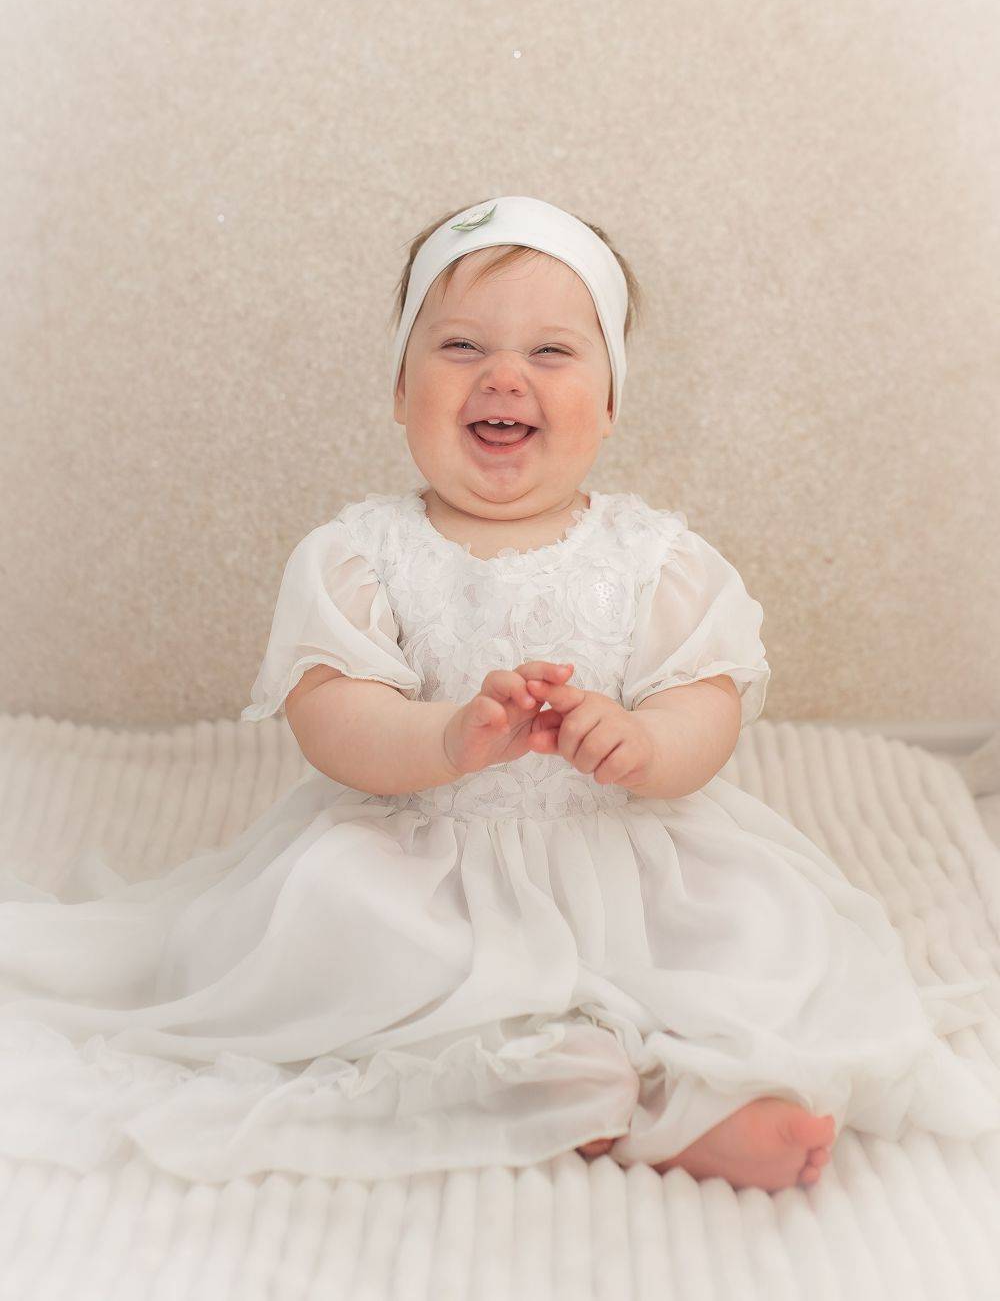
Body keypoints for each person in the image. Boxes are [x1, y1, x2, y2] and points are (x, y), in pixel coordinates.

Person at [1, 195, 997, 1190]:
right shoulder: (361, 554)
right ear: (401, 389)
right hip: (420, 859)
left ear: (611, 400)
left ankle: (685, 1090)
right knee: (350, 942)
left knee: (754, 945)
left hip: (621, 862)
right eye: (462, 346)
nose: (504, 376)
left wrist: (647, 743)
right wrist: (443, 738)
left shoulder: (656, 558)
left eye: (553, 353)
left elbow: (707, 702)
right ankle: (584, 1096)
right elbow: (331, 715)